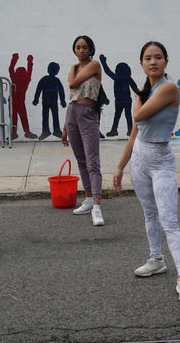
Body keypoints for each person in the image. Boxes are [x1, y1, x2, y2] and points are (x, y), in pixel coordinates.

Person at [113, 41, 180, 303]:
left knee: (169, 221)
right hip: (139, 160)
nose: (153, 62)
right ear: (141, 63)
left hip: (161, 163)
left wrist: (138, 98)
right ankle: (156, 259)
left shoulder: (169, 88)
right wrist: (120, 167)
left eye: (158, 57)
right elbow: (134, 134)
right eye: (148, 58)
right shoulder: (144, 90)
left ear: (166, 62)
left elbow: (138, 116)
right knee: (149, 214)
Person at [61, 35, 104, 226]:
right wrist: (65, 128)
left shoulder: (94, 65)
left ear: (90, 49)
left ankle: (96, 206)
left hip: (87, 113)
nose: (81, 50)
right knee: (81, 160)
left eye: (84, 47)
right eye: (77, 47)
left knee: (92, 161)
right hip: (72, 112)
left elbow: (72, 84)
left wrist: (72, 69)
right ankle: (88, 198)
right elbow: (71, 96)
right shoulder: (75, 68)